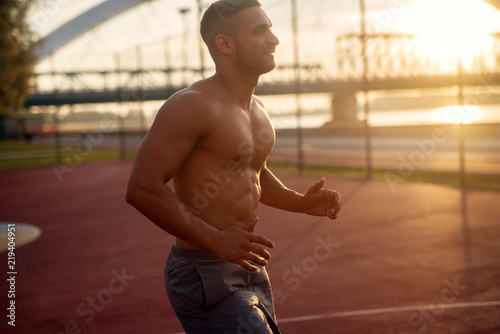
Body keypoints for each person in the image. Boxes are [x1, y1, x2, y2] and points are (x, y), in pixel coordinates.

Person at [125, 0, 342, 333]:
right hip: (203, 267)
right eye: (259, 30)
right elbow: (141, 188)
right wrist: (215, 241)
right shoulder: (192, 105)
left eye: (270, 28)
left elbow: (252, 171)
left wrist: (299, 202)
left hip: (247, 262)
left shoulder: (258, 108)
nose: (274, 40)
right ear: (224, 43)